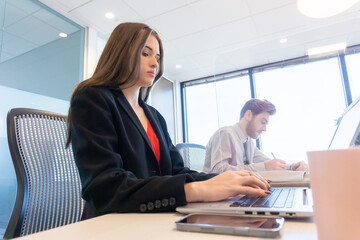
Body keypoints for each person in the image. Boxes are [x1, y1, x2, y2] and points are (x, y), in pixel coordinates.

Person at [65, 22, 271, 220]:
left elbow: (176, 171)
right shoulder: (93, 98)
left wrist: (223, 181)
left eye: (157, 56)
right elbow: (105, 187)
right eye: (145, 53)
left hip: (154, 218)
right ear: (120, 53)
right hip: (111, 224)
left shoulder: (154, 116)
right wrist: (193, 190)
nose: (155, 63)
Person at [203, 99, 308, 173]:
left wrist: (292, 166)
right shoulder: (225, 134)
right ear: (248, 115)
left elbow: (267, 161)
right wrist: (264, 167)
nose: (264, 129)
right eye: (263, 122)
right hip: (213, 197)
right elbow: (217, 170)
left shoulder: (249, 143)